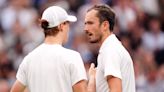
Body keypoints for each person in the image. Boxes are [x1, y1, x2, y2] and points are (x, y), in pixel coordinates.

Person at [11, 6, 95, 92]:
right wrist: (92, 78)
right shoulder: (72, 57)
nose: (68, 28)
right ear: (61, 26)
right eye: (67, 24)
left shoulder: (29, 59)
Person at [84, 4, 136, 92]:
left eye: (90, 23)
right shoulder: (110, 48)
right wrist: (93, 78)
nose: (86, 28)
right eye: (85, 23)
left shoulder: (110, 50)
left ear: (105, 25)